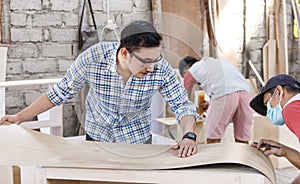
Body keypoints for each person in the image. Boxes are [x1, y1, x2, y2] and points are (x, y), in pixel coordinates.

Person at [0, 20, 199, 158]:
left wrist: (189, 134)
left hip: (138, 141)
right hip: (97, 137)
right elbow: (61, 91)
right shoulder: (93, 58)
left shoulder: (159, 67)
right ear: (124, 53)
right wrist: (20, 117)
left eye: (156, 60)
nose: (152, 67)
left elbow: (182, 104)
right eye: (146, 61)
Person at [179, 56, 252, 144]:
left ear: (186, 68)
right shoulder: (217, 63)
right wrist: (210, 104)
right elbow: (232, 90)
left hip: (224, 94)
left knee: (212, 137)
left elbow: (183, 98)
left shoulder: (192, 70)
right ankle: (242, 157)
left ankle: (214, 157)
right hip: (245, 94)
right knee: (242, 137)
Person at [250, 74, 300, 170]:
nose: (269, 111)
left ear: (278, 92)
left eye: (268, 102)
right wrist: (285, 151)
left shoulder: (291, 109)